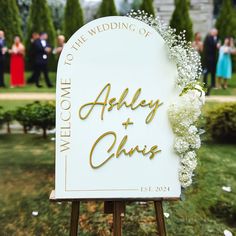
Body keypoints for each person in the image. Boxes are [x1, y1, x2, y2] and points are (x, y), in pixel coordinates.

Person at [203, 28, 220, 93]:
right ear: (212, 32)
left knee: (213, 71)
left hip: (213, 58)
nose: (216, 33)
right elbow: (212, 45)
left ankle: (213, 84)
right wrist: (217, 45)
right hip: (208, 58)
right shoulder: (208, 37)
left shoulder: (216, 38)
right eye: (215, 32)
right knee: (206, 72)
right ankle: (205, 84)